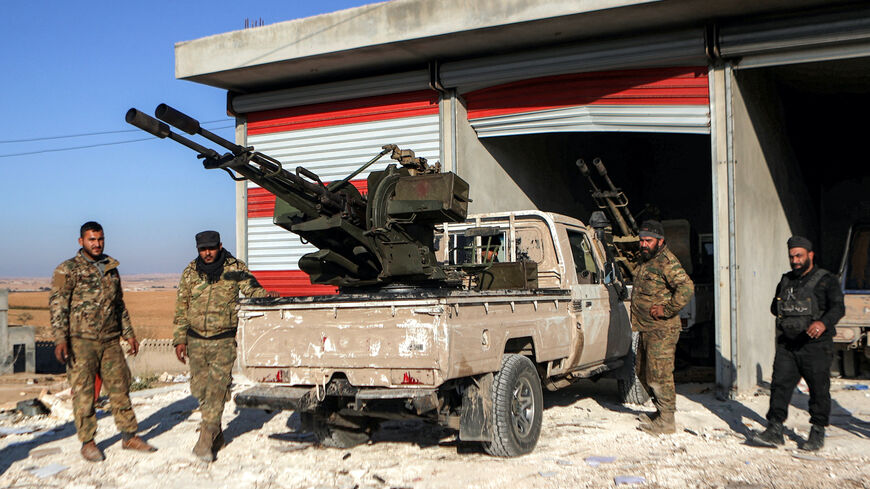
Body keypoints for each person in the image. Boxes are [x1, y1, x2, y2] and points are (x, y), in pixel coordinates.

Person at [49, 221, 156, 462]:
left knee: (120, 388)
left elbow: (119, 304)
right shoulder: (64, 270)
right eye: (91, 240)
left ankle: (129, 436)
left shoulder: (111, 268)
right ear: (81, 242)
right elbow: (57, 305)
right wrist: (60, 339)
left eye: (100, 239)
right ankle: (88, 442)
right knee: (84, 393)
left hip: (109, 340)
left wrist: (128, 333)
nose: (97, 244)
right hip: (81, 342)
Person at [172, 230, 276, 462]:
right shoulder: (190, 272)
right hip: (196, 339)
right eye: (202, 249)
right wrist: (179, 338)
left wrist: (265, 295)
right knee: (200, 389)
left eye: (211, 248)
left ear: (219, 246)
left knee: (217, 389)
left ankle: (205, 439)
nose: (207, 253)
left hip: (223, 340)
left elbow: (252, 289)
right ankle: (216, 431)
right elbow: (182, 306)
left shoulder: (235, 268)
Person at [751, 236, 844, 451]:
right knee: (779, 386)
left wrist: (822, 322)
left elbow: (838, 308)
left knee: (818, 389)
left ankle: (817, 431)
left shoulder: (826, 280)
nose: (795, 260)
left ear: (810, 255)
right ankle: (774, 430)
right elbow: (775, 308)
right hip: (788, 345)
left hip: (816, 345)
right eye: (791, 256)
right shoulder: (785, 280)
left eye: (799, 256)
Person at [630, 220, 694, 435]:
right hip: (646, 328)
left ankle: (667, 421)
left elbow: (686, 287)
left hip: (662, 329)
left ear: (660, 241)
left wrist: (667, 310)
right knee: (642, 372)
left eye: (648, 240)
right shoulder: (647, 260)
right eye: (641, 240)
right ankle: (660, 412)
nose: (643, 244)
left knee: (660, 375)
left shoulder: (667, 261)